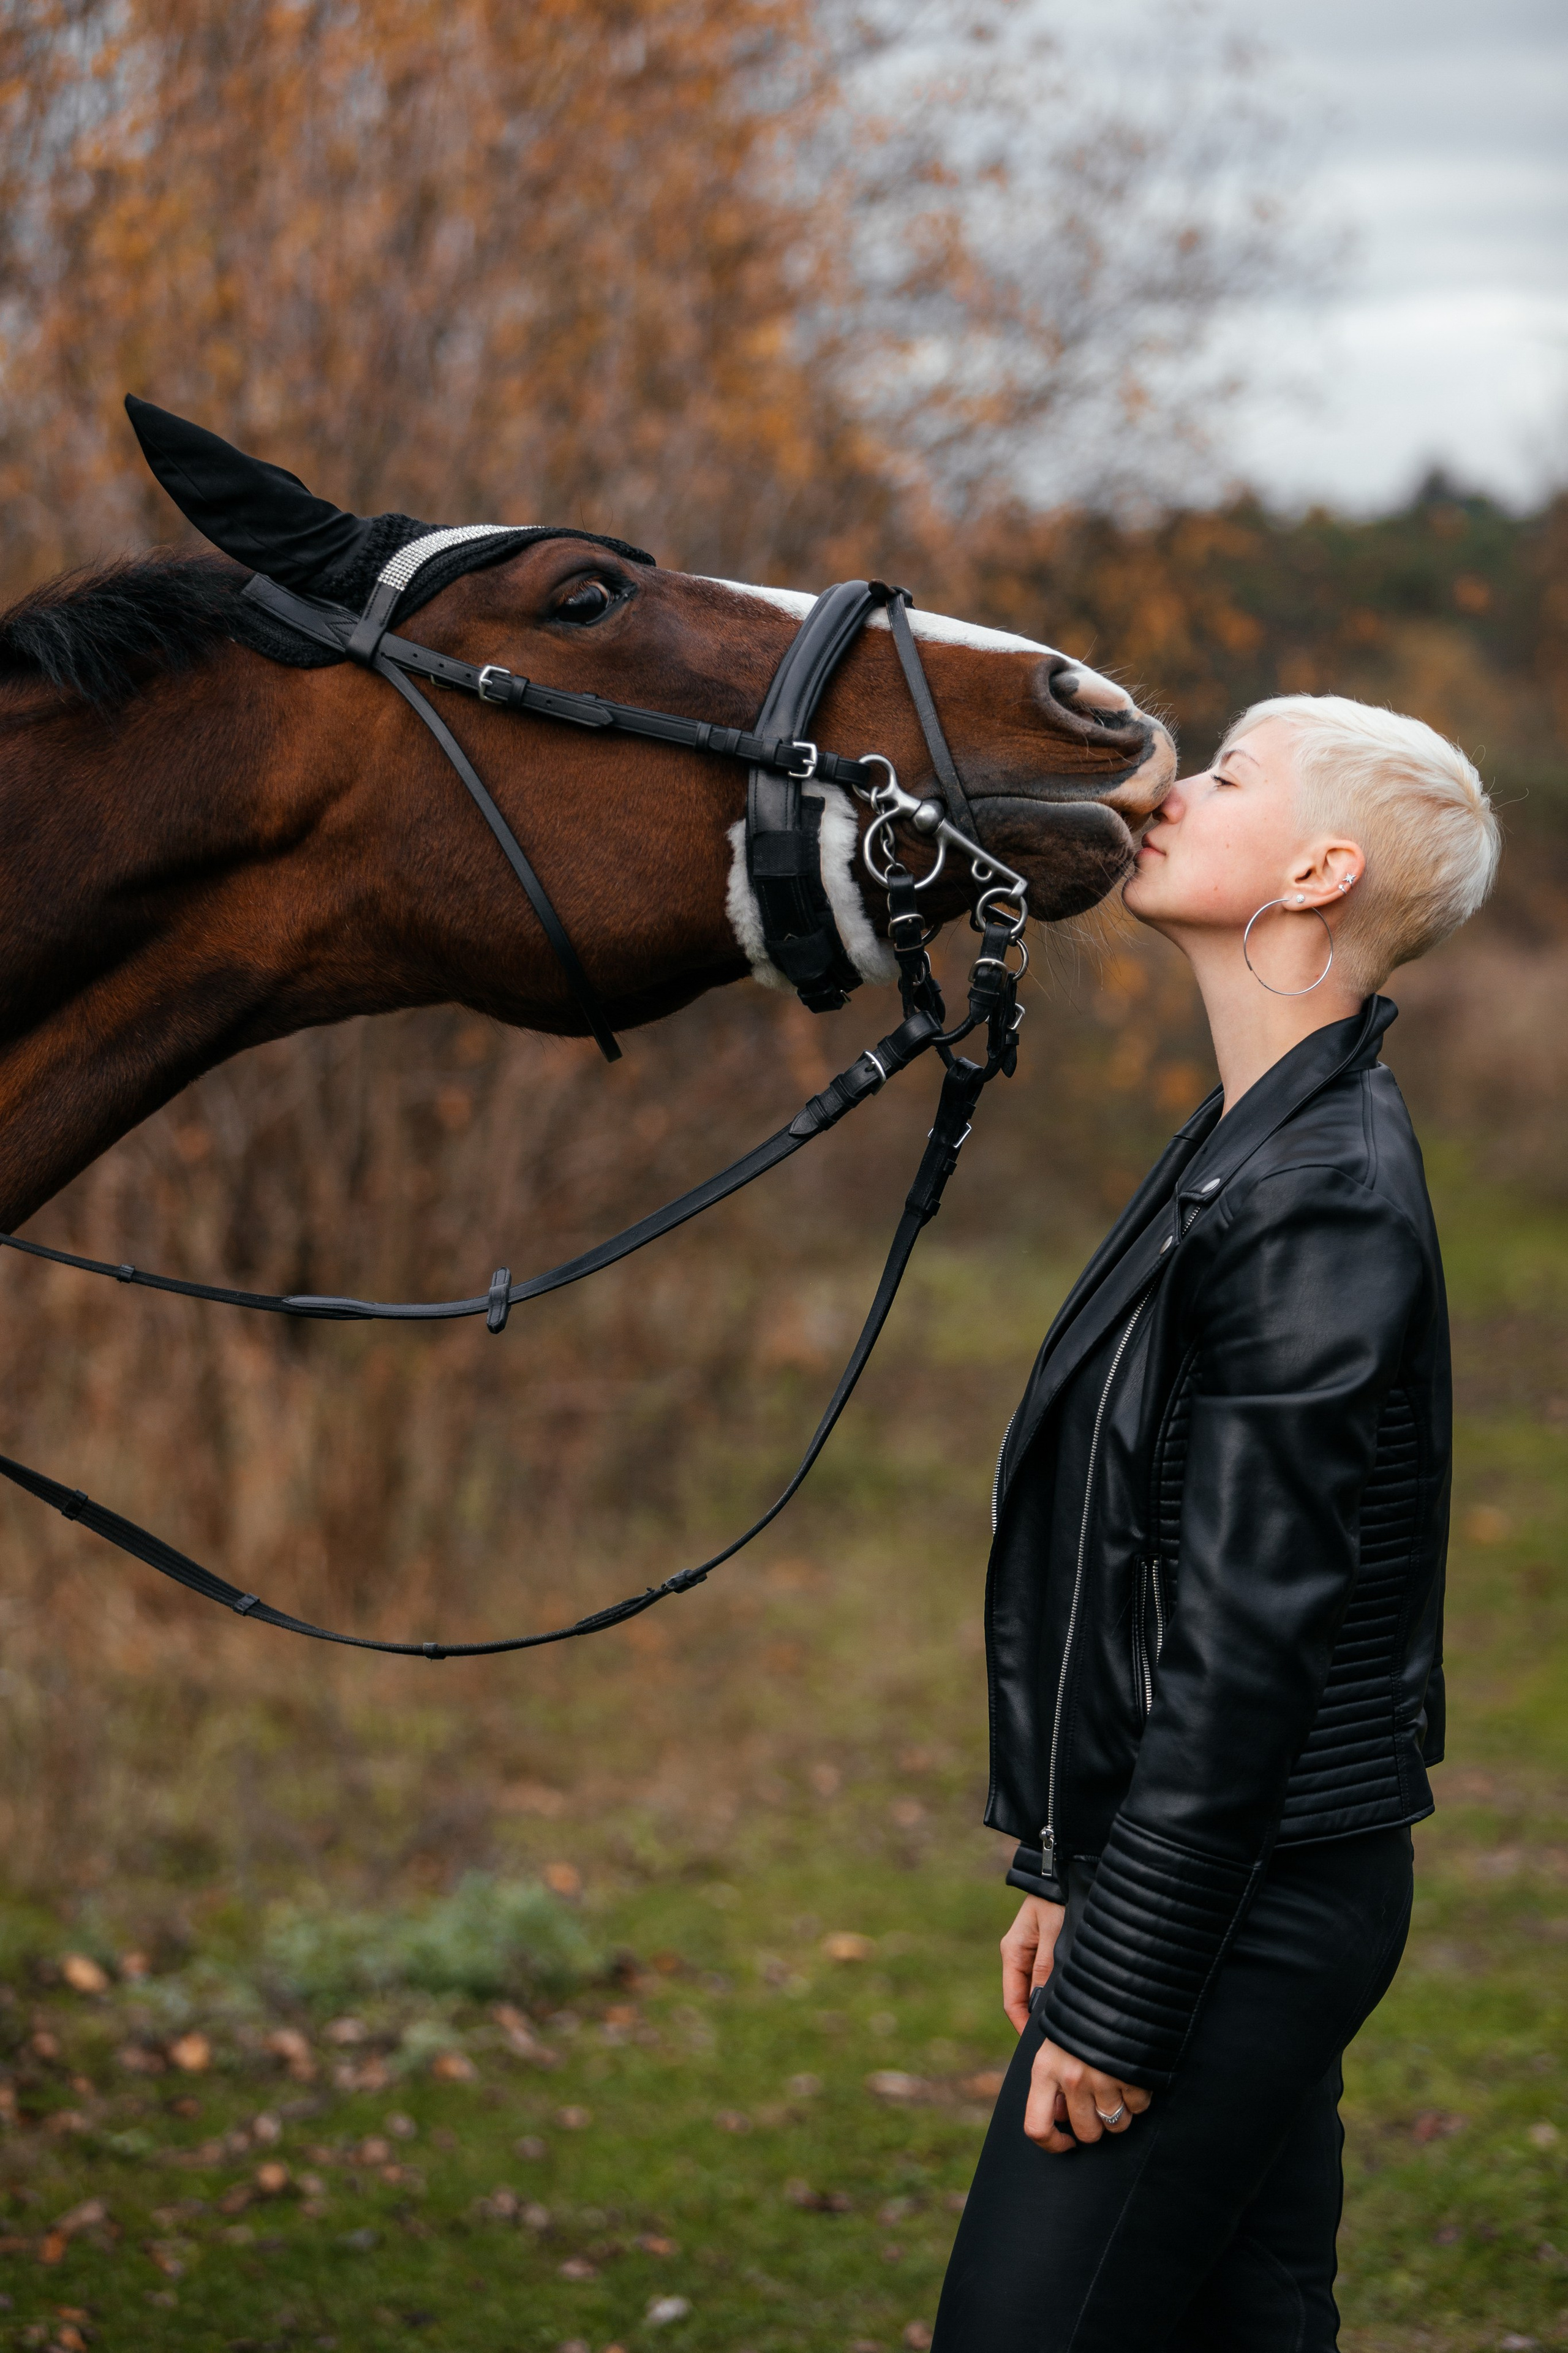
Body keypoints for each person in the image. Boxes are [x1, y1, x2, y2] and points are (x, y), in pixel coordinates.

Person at [932, 695, 1501, 2352]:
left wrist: (1126, 1985)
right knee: (1249, 2325)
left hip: (1251, 1897)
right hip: (1228, 1869)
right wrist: (1067, 1854)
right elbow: (1156, 1558)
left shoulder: (1319, 1182)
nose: (1173, 788)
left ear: (1320, 869)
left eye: (1230, 772)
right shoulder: (1252, 1143)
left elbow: (1253, 1648)